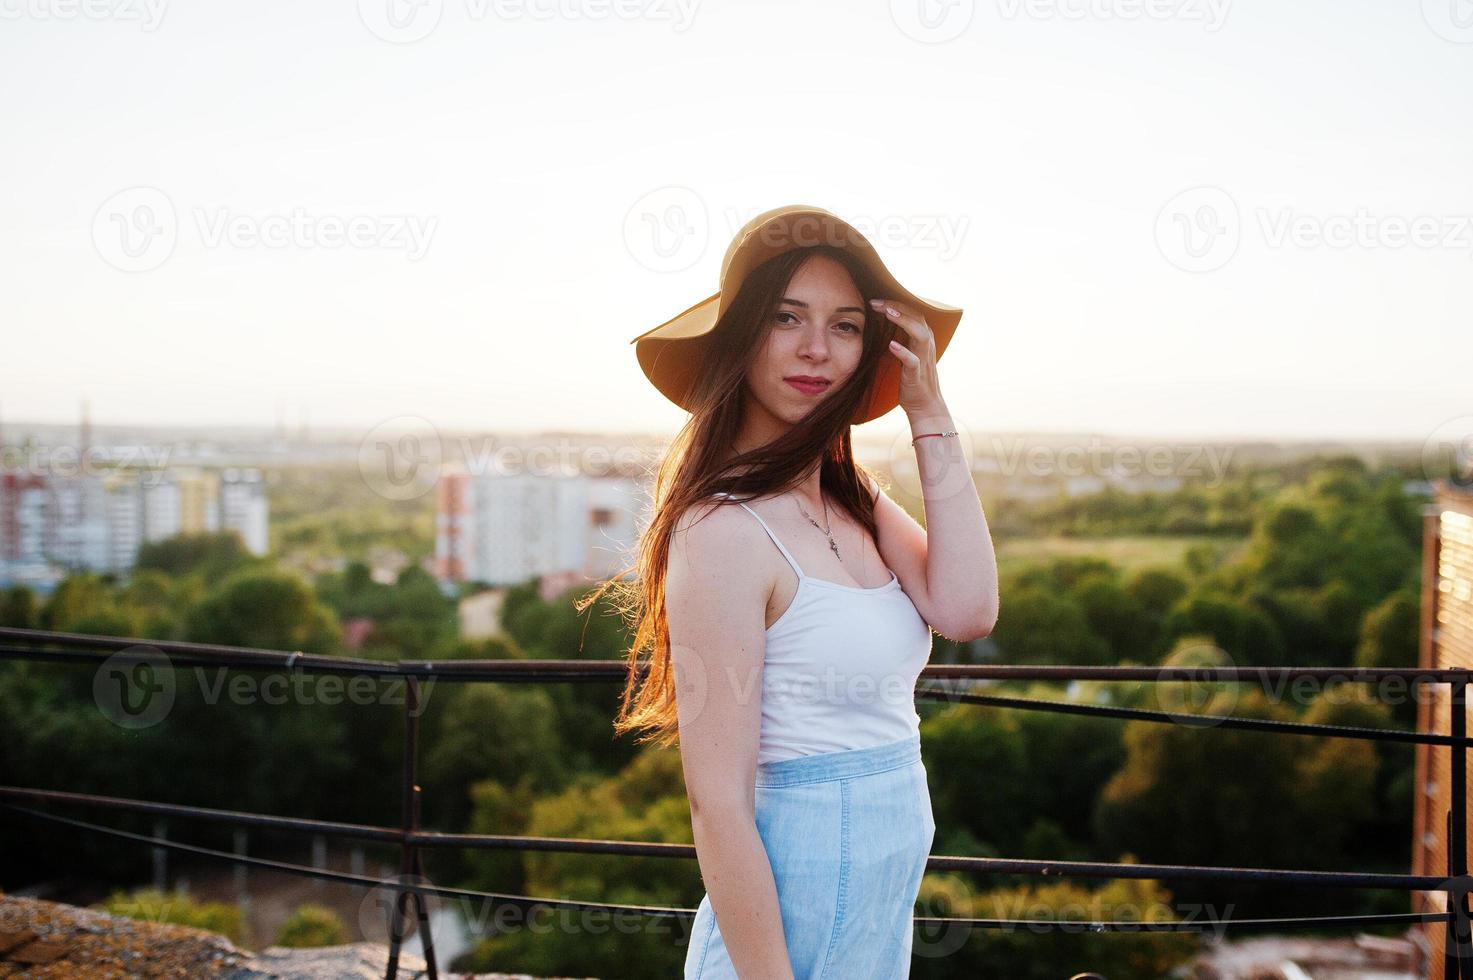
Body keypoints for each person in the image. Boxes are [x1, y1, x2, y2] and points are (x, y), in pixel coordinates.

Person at [595, 204, 998, 978]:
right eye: (787, 317)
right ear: (741, 334)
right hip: (786, 942)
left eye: (846, 326)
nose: (817, 348)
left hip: (875, 922)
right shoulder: (720, 531)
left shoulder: (853, 497)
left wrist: (929, 411)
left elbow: (967, 608)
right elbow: (718, 809)